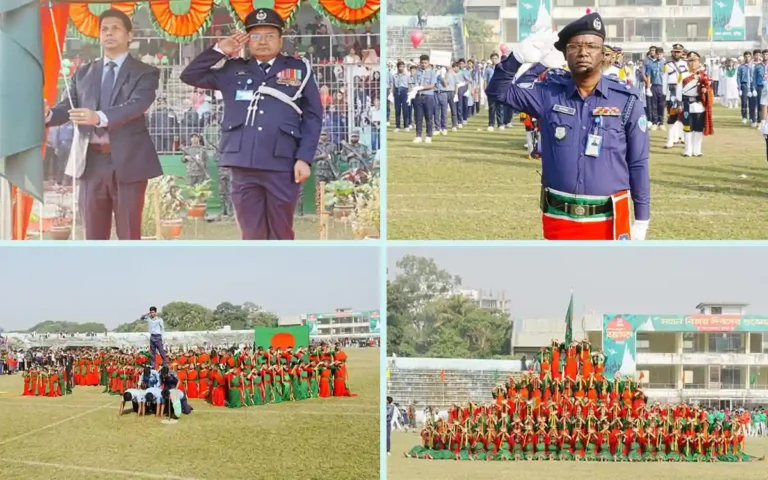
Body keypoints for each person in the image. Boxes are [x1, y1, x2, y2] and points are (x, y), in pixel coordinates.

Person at [485, 12, 650, 241]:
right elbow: (497, 93)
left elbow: (638, 162)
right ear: (564, 54)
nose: (583, 52)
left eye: (591, 46)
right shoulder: (548, 94)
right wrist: (517, 58)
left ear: (603, 54)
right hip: (558, 218)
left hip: (610, 221)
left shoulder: (626, 99)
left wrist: (642, 220)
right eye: (575, 46)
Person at [180, 8, 323, 240]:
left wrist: (304, 158)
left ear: (281, 40)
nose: (263, 41)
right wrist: (219, 50)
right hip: (243, 164)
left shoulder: (298, 69)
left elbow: (313, 115)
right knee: (251, 234)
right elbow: (189, 75)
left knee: (281, 233)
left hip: (282, 163)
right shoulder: (232, 69)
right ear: (247, 40)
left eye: (269, 35)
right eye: (255, 36)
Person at [44, 10, 162, 240]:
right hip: (91, 163)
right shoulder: (84, 72)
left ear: (130, 35)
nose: (109, 33)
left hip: (129, 162)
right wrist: (48, 114)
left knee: (129, 232)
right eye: (104, 29)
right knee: (93, 233)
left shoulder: (145, 72)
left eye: (115, 28)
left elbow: (137, 105)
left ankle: (131, 275)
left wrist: (98, 117)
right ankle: (97, 275)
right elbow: (68, 107)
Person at [677, 51, 714, 157]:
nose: (692, 63)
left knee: (698, 128)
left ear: (698, 61)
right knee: (687, 127)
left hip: (698, 105)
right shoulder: (683, 75)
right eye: (690, 61)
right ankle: (687, 150)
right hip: (686, 104)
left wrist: (705, 90)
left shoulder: (703, 75)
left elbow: (709, 88)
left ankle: (697, 150)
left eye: (694, 60)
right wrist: (679, 104)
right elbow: (679, 90)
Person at [663, 44, 688, 148]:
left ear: (682, 53)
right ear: (672, 52)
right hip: (672, 91)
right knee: (672, 117)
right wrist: (664, 94)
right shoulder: (667, 65)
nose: (676, 54)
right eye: (675, 52)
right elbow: (664, 80)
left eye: (678, 52)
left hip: (683, 91)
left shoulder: (686, 64)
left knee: (684, 116)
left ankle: (684, 138)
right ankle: (670, 140)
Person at [410, 54, 437, 144]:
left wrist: (422, 87)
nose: (424, 64)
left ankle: (429, 135)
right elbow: (415, 83)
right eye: (422, 63)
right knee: (418, 117)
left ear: (428, 63)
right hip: (419, 96)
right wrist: (416, 88)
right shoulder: (417, 72)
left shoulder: (432, 72)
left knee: (429, 117)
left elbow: (432, 85)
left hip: (428, 96)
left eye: (425, 63)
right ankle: (418, 135)